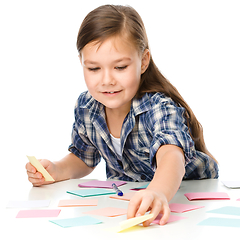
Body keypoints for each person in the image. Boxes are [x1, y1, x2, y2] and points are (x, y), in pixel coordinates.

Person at [26, 4, 218, 226]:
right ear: (82, 63)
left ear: (143, 61)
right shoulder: (87, 106)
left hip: (189, 195)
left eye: (120, 67)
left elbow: (171, 156)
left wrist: (157, 191)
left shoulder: (159, 107)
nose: (107, 80)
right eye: (94, 69)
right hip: (132, 200)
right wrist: (57, 169)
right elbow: (83, 157)